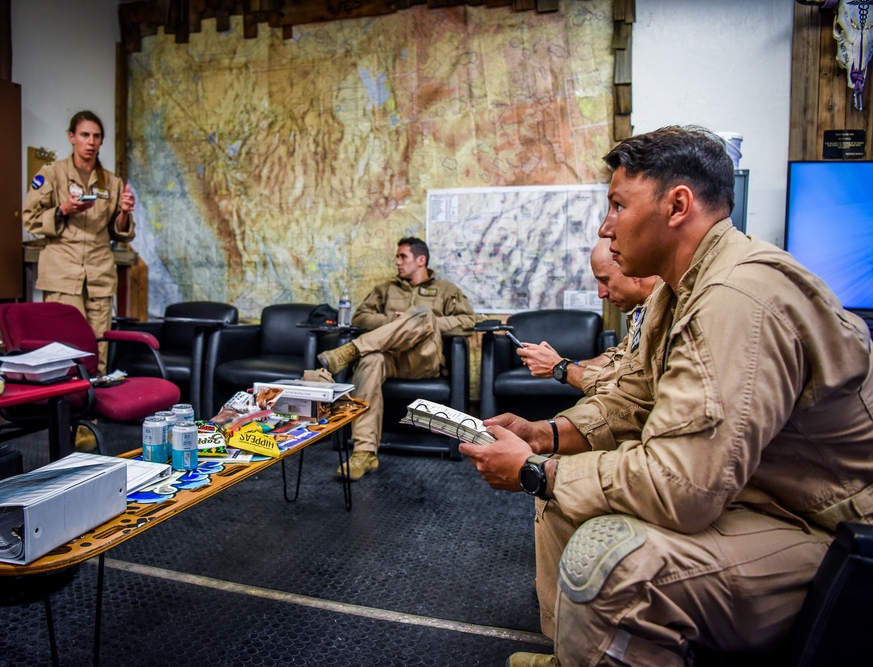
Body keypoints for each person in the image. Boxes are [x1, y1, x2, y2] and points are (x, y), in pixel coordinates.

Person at [460, 126, 873, 666]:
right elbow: (630, 399)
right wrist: (545, 436)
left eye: (617, 205)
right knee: (561, 506)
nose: (607, 227)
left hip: (829, 530)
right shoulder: (678, 289)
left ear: (677, 205)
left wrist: (537, 470)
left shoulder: (735, 298)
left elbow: (683, 487)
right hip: (758, 495)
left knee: (612, 564)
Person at [318, 237, 476, 480]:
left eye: (403, 257)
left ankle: (351, 351)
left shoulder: (446, 290)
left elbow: (468, 321)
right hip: (390, 358)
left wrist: (427, 321)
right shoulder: (386, 289)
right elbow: (361, 316)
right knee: (370, 361)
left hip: (424, 360)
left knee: (422, 314)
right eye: (397, 257)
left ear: (421, 260)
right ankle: (364, 452)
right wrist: (396, 322)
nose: (397, 262)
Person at [23, 110, 135, 375]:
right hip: (62, 267)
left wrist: (125, 213)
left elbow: (119, 232)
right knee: (65, 344)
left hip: (99, 269)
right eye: (84, 135)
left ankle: (93, 411)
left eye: (96, 136)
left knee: (99, 345)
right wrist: (62, 210)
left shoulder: (112, 182)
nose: (91, 141)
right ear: (72, 137)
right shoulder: (52, 174)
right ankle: (67, 412)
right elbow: (30, 219)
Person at [516, 238, 657, 395]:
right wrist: (567, 363)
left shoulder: (662, 313)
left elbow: (626, 388)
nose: (601, 293)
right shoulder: (644, 311)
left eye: (605, 280)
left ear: (635, 270)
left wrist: (561, 368)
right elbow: (614, 360)